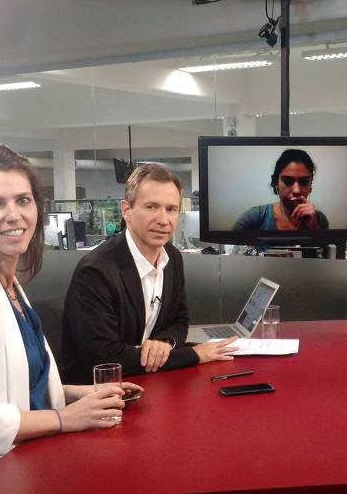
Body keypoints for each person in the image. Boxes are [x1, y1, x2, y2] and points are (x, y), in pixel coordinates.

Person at [0, 143, 139, 492]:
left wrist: (81, 395)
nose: (13, 215)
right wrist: (64, 418)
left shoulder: (6, 281)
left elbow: (14, 387)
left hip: (32, 464)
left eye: (23, 200)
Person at [60, 163, 238, 384]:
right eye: (152, 207)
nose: (163, 220)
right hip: (97, 394)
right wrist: (194, 355)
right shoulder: (96, 272)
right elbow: (105, 358)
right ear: (127, 210)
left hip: (146, 379)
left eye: (171, 209)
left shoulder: (172, 257)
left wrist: (164, 343)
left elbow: (179, 321)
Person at [233, 149, 329, 231]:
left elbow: (327, 251)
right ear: (276, 183)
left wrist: (314, 227)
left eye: (304, 182)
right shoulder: (255, 217)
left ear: (310, 185)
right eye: (288, 181)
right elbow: (230, 248)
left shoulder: (319, 220)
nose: (296, 190)